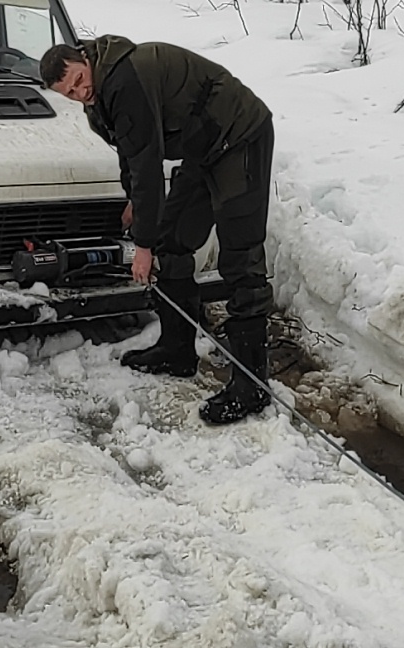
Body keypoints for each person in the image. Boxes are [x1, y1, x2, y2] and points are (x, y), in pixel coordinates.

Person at [41, 36, 274, 425]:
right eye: (70, 92)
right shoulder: (98, 100)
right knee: (173, 238)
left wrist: (142, 245)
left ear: (84, 57)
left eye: (81, 80)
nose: (82, 93)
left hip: (239, 134)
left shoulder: (123, 78)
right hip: (205, 148)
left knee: (241, 254)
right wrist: (136, 201)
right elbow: (131, 154)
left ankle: (252, 385)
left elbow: (148, 164)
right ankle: (177, 349)